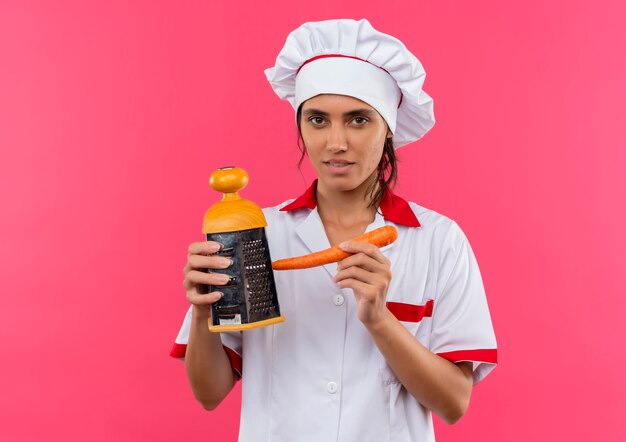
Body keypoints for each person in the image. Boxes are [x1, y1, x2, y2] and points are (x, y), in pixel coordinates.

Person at [171, 18, 497, 441]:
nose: (335, 142)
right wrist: (202, 311)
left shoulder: (440, 241)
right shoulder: (256, 235)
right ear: (301, 125)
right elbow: (209, 393)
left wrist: (380, 320)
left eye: (359, 120)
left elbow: (453, 403)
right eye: (318, 120)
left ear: (389, 129)